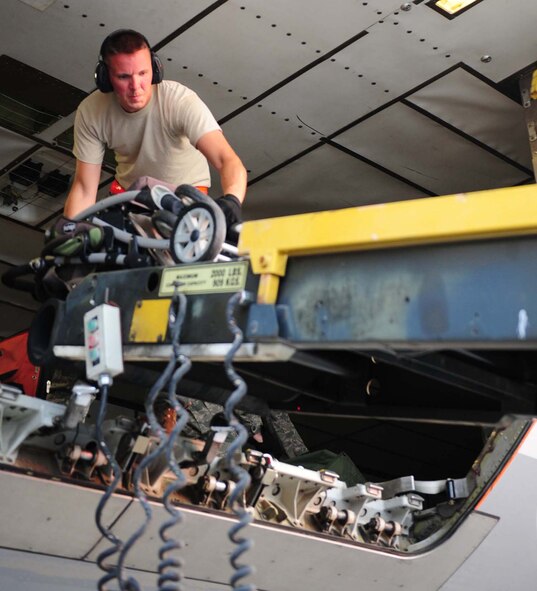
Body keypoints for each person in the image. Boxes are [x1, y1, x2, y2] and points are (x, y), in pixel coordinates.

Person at [63, 29, 246, 234]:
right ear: (105, 78)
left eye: (143, 73)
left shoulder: (179, 100)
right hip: (129, 199)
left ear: (155, 69)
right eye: (124, 77)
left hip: (183, 203)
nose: (136, 86)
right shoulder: (91, 111)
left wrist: (232, 201)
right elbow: (84, 188)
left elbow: (227, 160)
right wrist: (67, 235)